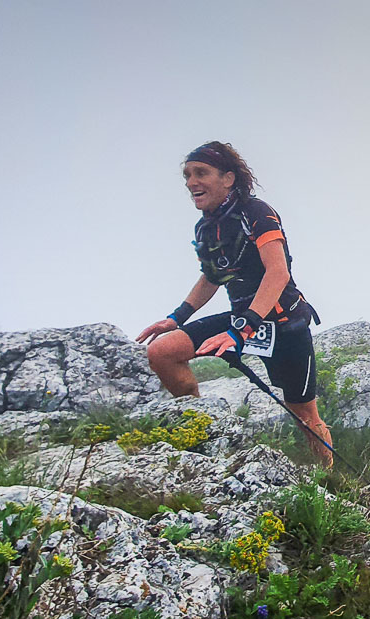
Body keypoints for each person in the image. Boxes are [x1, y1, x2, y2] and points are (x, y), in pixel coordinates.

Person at [136, 141, 333, 466]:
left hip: (286, 325)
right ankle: (202, 429)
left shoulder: (257, 213)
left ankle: (328, 478)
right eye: (187, 175)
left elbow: (278, 273)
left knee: (304, 414)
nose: (190, 182)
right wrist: (176, 318)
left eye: (201, 173)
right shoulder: (206, 227)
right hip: (245, 323)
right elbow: (212, 277)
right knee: (162, 352)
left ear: (228, 178)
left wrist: (241, 330)